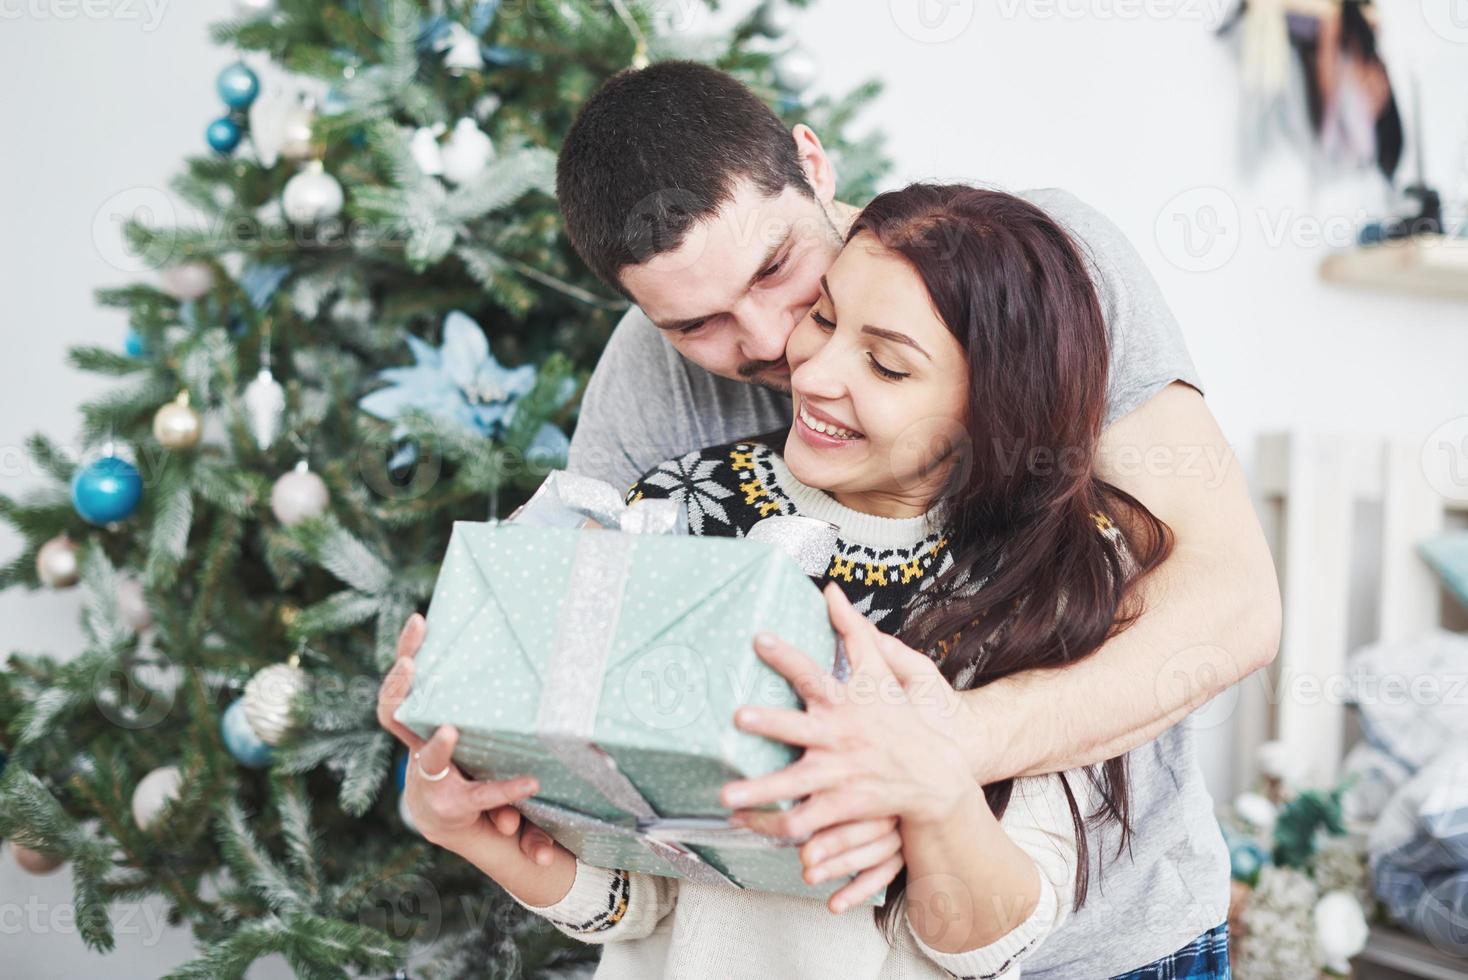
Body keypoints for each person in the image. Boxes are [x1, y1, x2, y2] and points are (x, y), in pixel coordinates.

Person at [377, 61, 1280, 978]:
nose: (776, 347)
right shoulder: (667, 439)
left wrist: (939, 752)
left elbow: (1232, 603)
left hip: (1111, 944)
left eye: (777, 269)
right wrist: (478, 700)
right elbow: (612, 769)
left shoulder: (1042, 281)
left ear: (812, 163)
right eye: (696, 327)